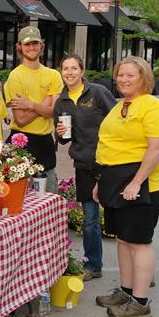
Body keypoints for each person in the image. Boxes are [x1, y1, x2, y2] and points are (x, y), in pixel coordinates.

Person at [93, 57, 159, 317]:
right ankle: (126, 291)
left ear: (144, 78)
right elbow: (110, 145)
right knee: (123, 239)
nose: (124, 80)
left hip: (144, 182)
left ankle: (140, 302)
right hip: (116, 179)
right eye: (120, 75)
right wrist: (100, 182)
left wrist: (137, 182)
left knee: (139, 242)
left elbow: (157, 148)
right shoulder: (121, 106)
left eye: (130, 75)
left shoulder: (154, 108)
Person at [52, 54, 115, 281]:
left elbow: (117, 118)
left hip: (109, 163)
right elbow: (64, 140)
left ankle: (140, 265)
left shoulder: (97, 93)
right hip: (84, 165)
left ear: (82, 70)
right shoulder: (61, 102)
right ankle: (93, 265)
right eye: (65, 69)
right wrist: (60, 134)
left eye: (74, 68)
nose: (69, 73)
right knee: (90, 220)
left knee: (120, 216)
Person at [3, 26, 64, 192]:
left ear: (41, 45)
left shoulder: (53, 75)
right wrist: (45, 104)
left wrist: (30, 105)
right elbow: (21, 120)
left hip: (46, 142)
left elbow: (54, 112)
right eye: (27, 44)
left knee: (48, 194)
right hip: (21, 141)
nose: (31, 48)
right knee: (19, 197)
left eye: (35, 43)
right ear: (19, 47)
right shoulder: (16, 76)